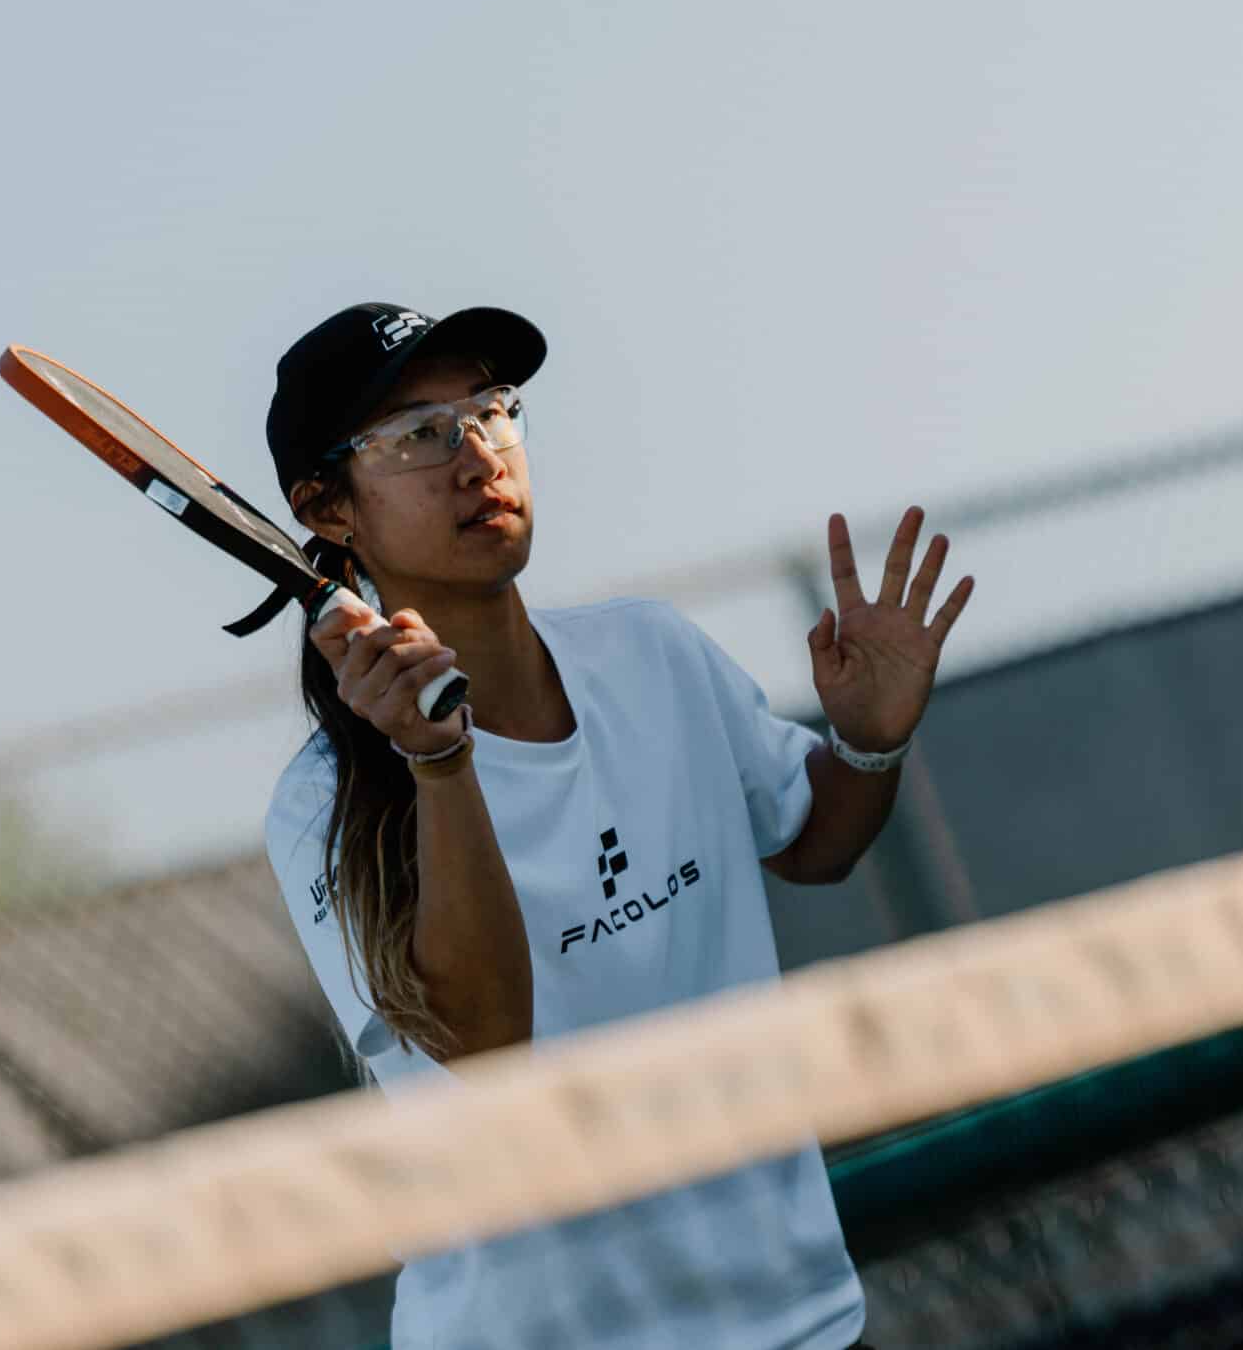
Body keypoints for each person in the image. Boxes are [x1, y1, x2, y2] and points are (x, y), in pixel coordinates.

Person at [262, 302, 973, 1350]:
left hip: (798, 1325)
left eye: (492, 412)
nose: (477, 458)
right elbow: (486, 1042)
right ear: (328, 507)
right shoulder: (319, 804)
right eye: (419, 434)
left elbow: (815, 842)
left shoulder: (651, 654)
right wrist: (440, 761)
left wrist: (867, 742)